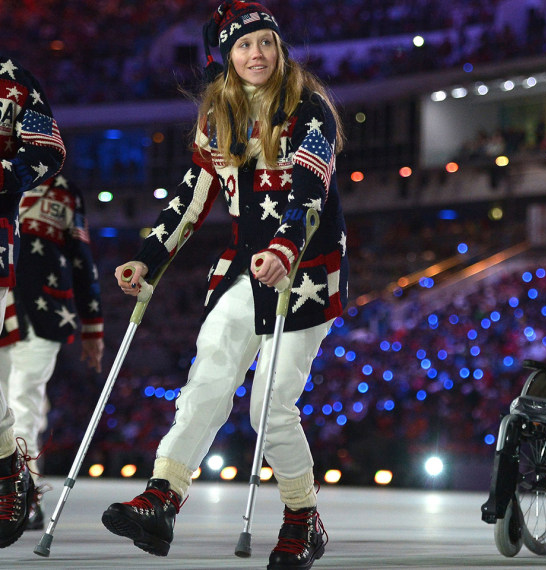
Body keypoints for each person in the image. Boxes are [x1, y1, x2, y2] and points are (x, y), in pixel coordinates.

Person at [100, 3, 348, 569]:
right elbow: (191, 196)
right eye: (243, 46)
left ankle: (301, 518)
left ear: (279, 48)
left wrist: (285, 249)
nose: (255, 54)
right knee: (209, 369)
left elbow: (311, 194)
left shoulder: (310, 112)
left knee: (270, 408)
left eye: (264, 42)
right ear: (227, 56)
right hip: (244, 269)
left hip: (306, 274)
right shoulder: (219, 118)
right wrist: (146, 258)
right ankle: (162, 497)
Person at [0, 172, 104, 530]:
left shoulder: (63, 192)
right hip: (6, 305)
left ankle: (26, 496)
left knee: (23, 400)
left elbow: (81, 256)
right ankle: (12, 491)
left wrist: (93, 326)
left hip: (45, 310)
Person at [0, 55, 66, 547]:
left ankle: (9, 472)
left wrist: (5, 173)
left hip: (8, 254)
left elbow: (48, 148)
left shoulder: (17, 81)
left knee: (21, 395)